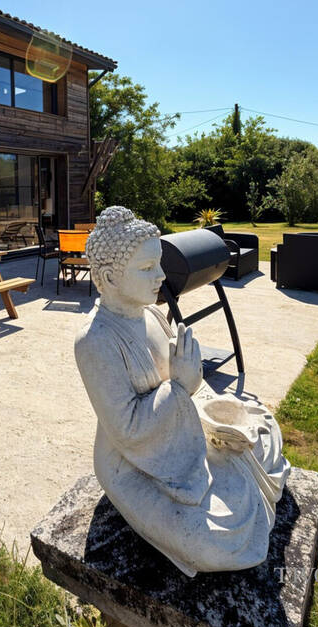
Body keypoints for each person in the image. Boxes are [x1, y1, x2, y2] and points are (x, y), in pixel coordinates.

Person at [74, 206, 290, 576]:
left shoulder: (152, 314)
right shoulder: (95, 341)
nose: (161, 276)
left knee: (262, 426)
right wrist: (179, 387)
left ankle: (235, 468)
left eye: (158, 263)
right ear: (109, 277)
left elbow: (192, 388)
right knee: (212, 540)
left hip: (180, 433)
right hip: (133, 461)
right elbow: (127, 430)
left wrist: (208, 406)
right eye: (147, 268)